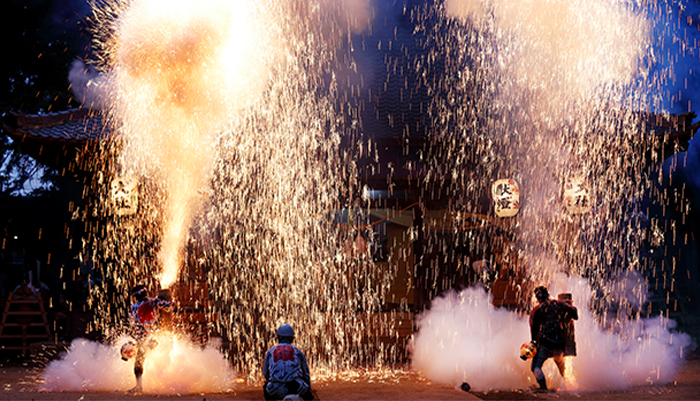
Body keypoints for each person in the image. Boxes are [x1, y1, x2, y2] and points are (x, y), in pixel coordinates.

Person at [529, 286, 578, 392]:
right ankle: (570, 386)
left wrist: (534, 345)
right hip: (560, 345)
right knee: (561, 366)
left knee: (535, 367)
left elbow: (534, 330)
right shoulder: (558, 304)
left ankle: (543, 387)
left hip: (545, 346)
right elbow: (573, 311)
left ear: (537, 298)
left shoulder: (537, 310)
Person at [127, 285, 173, 393]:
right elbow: (169, 306)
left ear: (135, 297)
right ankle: (166, 383)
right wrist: (173, 300)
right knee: (159, 358)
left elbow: (131, 324)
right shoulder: (154, 301)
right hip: (155, 336)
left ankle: (139, 386)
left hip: (142, 339)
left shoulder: (133, 307)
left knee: (139, 362)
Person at [263, 324, 313, 400]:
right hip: (294, 388)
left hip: (274, 389)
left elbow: (265, 373)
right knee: (307, 394)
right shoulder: (298, 352)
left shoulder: (270, 351)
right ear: (292, 339)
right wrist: (308, 390)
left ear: (278, 338)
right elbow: (306, 374)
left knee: (266, 387)